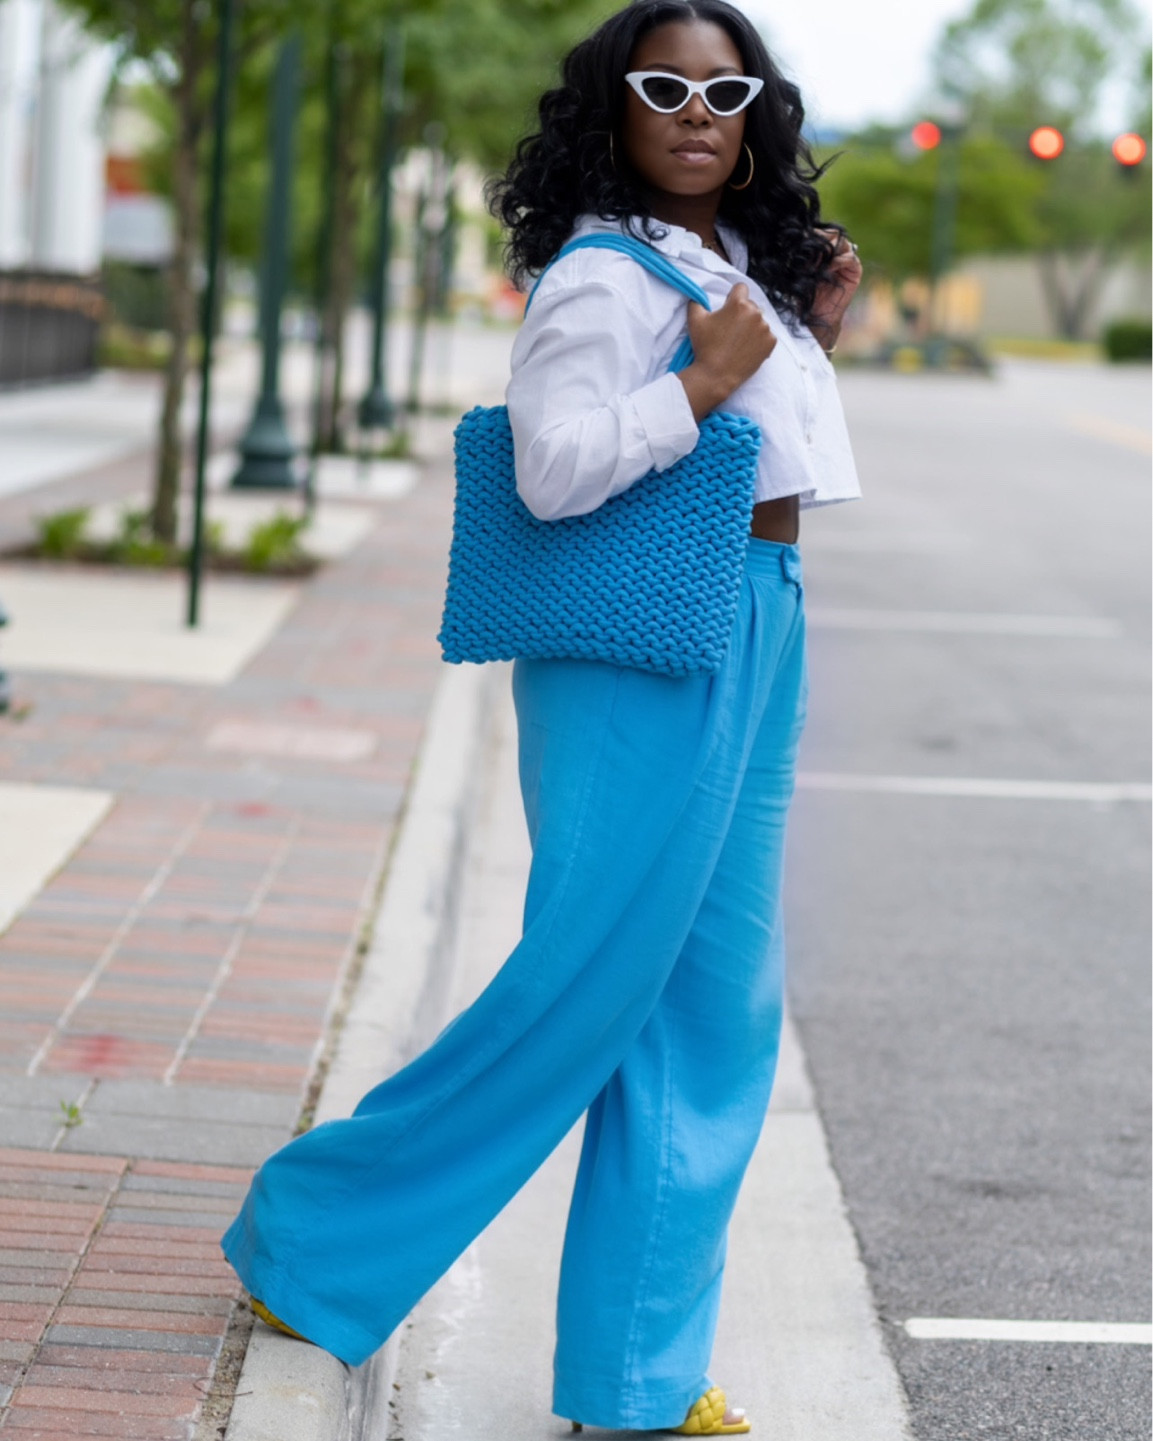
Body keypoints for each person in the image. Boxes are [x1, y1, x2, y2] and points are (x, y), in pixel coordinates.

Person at [221, 2, 862, 1434]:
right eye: (663, 87)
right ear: (612, 111)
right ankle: (315, 1234)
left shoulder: (727, 260)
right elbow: (553, 470)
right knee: (585, 985)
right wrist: (698, 383)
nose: (698, 112)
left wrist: (803, 338)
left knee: (708, 1009)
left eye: (725, 89)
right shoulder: (596, 275)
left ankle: (635, 1377)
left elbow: (782, 447)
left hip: (755, 616)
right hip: (642, 642)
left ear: (756, 112)